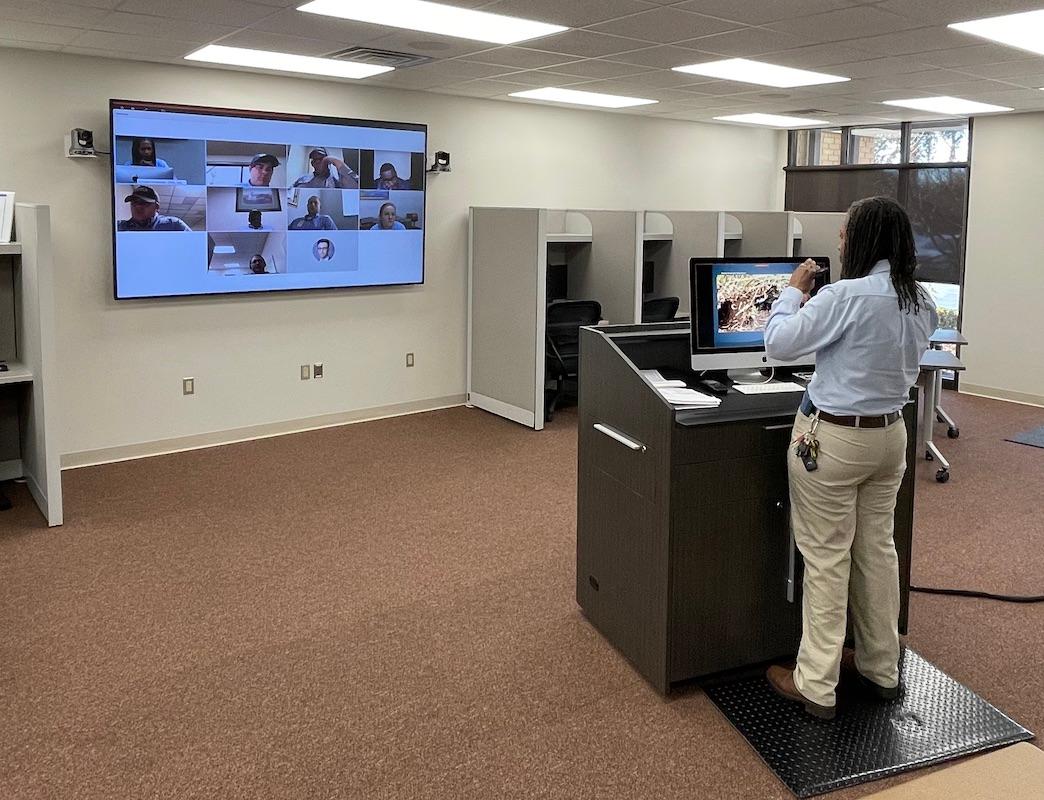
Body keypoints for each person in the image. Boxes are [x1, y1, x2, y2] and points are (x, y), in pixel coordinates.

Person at [762, 196, 937, 720]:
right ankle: (882, 668)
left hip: (834, 441)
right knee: (878, 551)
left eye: (844, 233)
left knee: (826, 558)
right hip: (891, 438)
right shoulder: (921, 300)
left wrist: (792, 295)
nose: (839, 241)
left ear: (861, 241)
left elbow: (779, 344)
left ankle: (816, 682)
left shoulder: (846, 295)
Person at [117, 185, 192, 231]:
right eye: (134, 202)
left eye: (144, 203)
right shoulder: (119, 227)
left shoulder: (174, 225)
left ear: (157, 207)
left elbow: (196, 248)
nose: (137, 206)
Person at [291, 148, 359, 189]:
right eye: (314, 159)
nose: (317, 162)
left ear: (328, 161)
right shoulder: (302, 179)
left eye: (321, 159)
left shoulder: (337, 182)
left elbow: (356, 185)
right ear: (312, 164)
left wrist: (336, 161)